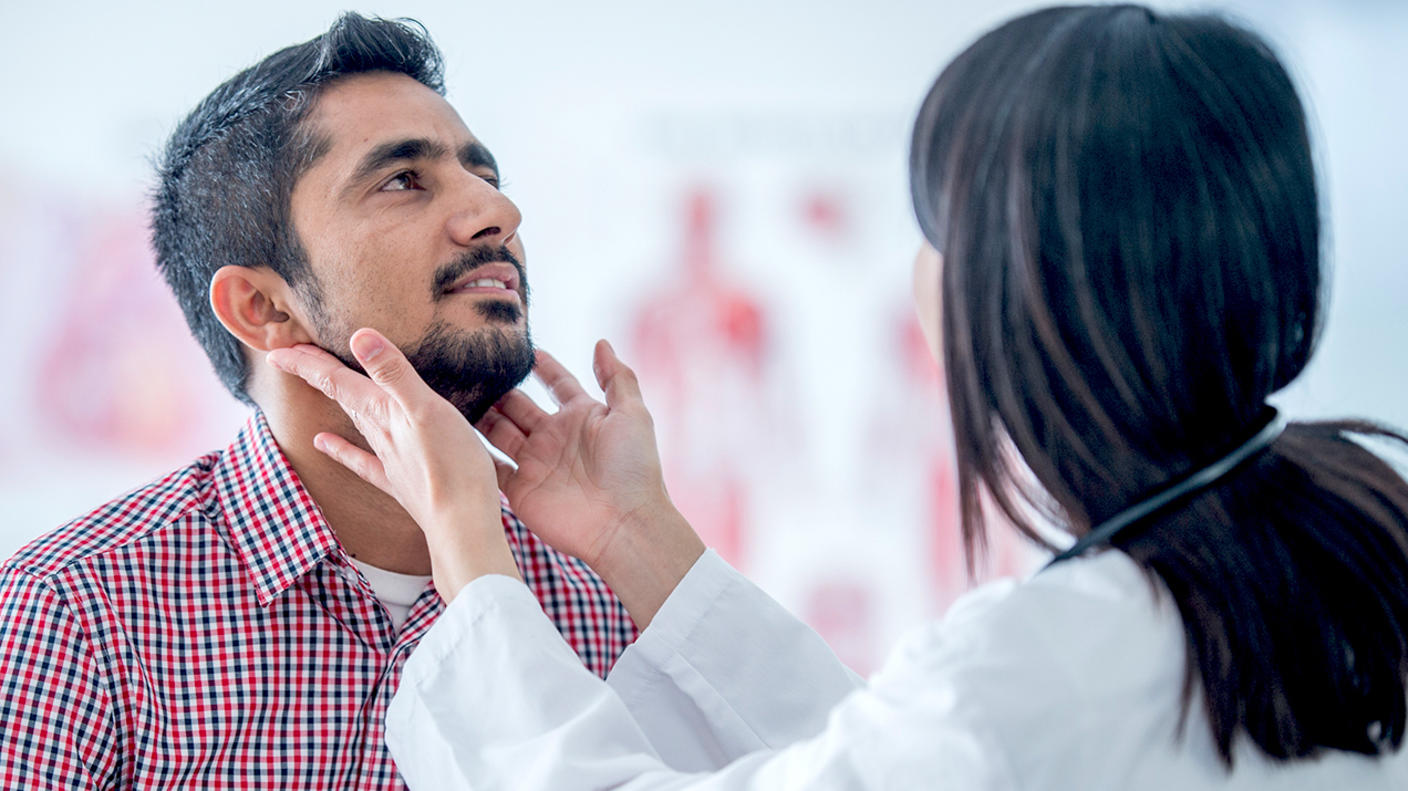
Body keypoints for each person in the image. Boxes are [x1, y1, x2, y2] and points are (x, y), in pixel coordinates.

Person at [266, 4, 1408, 790]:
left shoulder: (1047, 665)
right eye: (407, 178)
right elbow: (871, 754)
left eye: (934, 226)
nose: (493, 213)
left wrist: (471, 553)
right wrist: (634, 534)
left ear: (1017, 290)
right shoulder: (1351, 549)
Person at [0, 13, 637, 789]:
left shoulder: (608, 605)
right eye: (403, 180)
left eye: (487, 177)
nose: (498, 215)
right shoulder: (75, 614)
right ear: (263, 307)